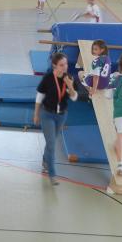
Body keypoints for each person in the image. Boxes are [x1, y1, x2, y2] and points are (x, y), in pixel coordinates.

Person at [33, 52, 78, 186]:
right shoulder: (48, 78)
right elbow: (39, 96)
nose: (65, 67)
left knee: (50, 142)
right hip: (47, 114)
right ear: (54, 66)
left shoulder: (69, 78)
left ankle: (45, 159)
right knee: (52, 144)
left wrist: (70, 85)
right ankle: (52, 174)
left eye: (66, 64)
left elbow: (74, 98)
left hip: (61, 115)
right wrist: (36, 114)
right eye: (61, 65)